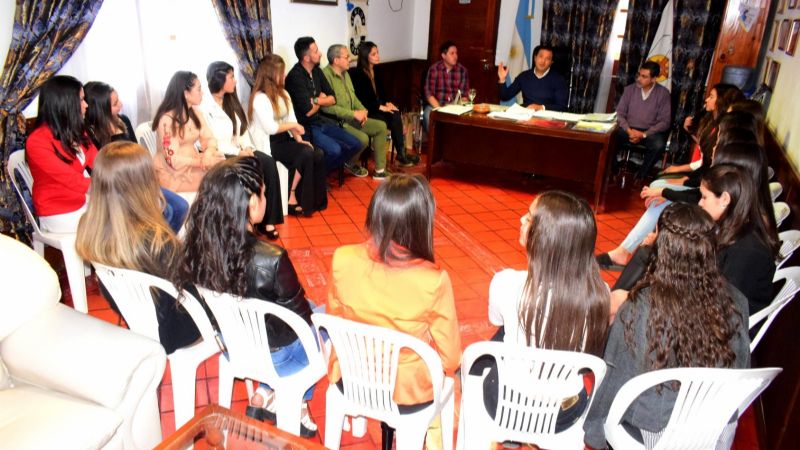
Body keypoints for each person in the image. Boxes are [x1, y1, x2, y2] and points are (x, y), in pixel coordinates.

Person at [584, 202, 751, 449]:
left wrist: (593, 431)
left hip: (656, 433)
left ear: (661, 247)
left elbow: (614, 382)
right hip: (714, 429)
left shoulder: (638, 309)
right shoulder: (738, 302)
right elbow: (740, 372)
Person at [174, 156, 318, 437]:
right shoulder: (272, 258)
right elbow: (303, 321)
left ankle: (266, 392)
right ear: (252, 203)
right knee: (322, 319)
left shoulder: (196, 248)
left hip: (233, 345)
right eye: (263, 193)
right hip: (279, 357)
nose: (265, 199)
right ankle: (294, 401)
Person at [328, 173, 461, 450]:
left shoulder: (342, 258)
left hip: (351, 379)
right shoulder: (433, 281)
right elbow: (450, 359)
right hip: (405, 394)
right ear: (421, 223)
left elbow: (334, 319)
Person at [481, 191, 609, 430]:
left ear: (546, 237)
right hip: (564, 412)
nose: (521, 219)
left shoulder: (506, 283)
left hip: (508, 404)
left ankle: (510, 434)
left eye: (529, 218)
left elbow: (496, 320)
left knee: (498, 341)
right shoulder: (601, 293)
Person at [610, 153, 779, 319]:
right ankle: (614, 312)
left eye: (704, 197)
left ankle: (615, 312)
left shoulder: (746, 251)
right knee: (647, 254)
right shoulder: (733, 227)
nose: (700, 203)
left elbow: (721, 307)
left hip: (713, 322)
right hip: (705, 301)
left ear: (724, 199)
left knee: (623, 296)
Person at [75, 141, 200, 354]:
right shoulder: (157, 240)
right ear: (145, 184)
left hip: (138, 320)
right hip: (178, 330)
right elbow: (189, 287)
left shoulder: (90, 228)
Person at [83, 80, 189, 232]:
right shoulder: (90, 133)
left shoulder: (123, 121)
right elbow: (99, 170)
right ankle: (153, 242)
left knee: (180, 207)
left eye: (118, 99)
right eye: (115, 103)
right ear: (100, 109)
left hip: (139, 180)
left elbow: (136, 150)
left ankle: (160, 242)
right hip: (116, 189)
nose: (121, 104)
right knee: (165, 213)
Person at [201, 61, 283, 239]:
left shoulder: (230, 101)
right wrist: (238, 152)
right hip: (221, 154)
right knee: (245, 169)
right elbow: (209, 141)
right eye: (231, 77)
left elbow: (243, 130)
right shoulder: (204, 107)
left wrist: (247, 147)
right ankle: (243, 222)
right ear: (219, 79)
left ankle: (268, 221)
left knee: (268, 163)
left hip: (241, 150)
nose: (235, 81)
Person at [249, 55, 328, 216]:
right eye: (281, 72)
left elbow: (292, 120)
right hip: (269, 143)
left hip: (284, 139)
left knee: (317, 153)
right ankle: (291, 196)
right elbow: (271, 128)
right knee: (305, 153)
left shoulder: (283, 93)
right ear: (271, 74)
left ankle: (315, 201)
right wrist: (294, 127)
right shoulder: (259, 98)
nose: (284, 75)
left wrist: (299, 140)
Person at [25, 75, 98, 233]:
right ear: (65, 104)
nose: (86, 105)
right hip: (57, 211)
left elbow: (99, 162)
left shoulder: (76, 131)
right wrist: (109, 186)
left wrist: (120, 176)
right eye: (81, 100)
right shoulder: (37, 141)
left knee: (127, 211)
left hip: (80, 202)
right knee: (116, 221)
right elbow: (71, 180)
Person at [284, 36, 365, 177]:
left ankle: (319, 174)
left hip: (322, 121)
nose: (320, 53)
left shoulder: (316, 71)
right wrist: (321, 100)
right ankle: (317, 177)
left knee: (356, 144)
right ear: (306, 58)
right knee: (335, 150)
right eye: (316, 51)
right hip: (306, 126)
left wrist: (316, 100)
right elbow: (308, 112)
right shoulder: (295, 77)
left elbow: (333, 98)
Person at [322, 44, 390, 180]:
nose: (350, 60)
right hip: (338, 122)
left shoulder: (345, 73)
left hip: (353, 117)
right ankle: (349, 162)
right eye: (346, 57)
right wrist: (354, 114)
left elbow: (353, 98)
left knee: (381, 126)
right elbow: (327, 108)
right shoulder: (325, 76)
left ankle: (380, 170)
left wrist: (363, 110)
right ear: (336, 60)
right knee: (363, 139)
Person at [151, 71, 225, 193]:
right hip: (173, 173)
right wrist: (202, 162)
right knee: (218, 182)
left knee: (223, 167)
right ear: (186, 94)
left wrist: (208, 154)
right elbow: (172, 160)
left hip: (193, 165)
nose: (202, 93)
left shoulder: (195, 112)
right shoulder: (166, 120)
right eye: (199, 89)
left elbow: (209, 138)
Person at [350, 41, 420, 167]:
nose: (378, 56)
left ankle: (401, 153)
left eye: (377, 53)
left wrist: (388, 104)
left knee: (395, 113)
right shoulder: (358, 74)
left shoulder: (377, 70)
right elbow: (363, 100)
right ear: (365, 56)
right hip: (366, 110)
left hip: (377, 108)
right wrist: (380, 107)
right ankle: (400, 154)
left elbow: (383, 93)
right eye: (374, 54)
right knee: (390, 118)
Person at [664, 83, 742, 175]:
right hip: (700, 172)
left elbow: (706, 161)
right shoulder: (710, 121)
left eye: (711, 97)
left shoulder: (724, 128)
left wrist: (679, 169)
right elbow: (705, 149)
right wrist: (690, 132)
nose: (706, 100)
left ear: (722, 101)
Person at [611, 61, 671, 179]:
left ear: (653, 79)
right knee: (609, 137)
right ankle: (613, 168)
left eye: (644, 77)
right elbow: (619, 114)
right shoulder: (629, 90)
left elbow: (665, 121)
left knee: (659, 145)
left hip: (650, 132)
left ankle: (641, 175)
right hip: (628, 129)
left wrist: (643, 134)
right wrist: (629, 131)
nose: (639, 79)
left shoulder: (663, 94)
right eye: (639, 75)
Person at [496, 45, 568, 111]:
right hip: (525, 115)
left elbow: (561, 106)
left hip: (547, 117)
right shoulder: (524, 76)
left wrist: (541, 107)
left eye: (547, 59)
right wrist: (502, 79)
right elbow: (505, 96)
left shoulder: (559, 80)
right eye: (541, 56)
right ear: (535, 58)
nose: (543, 61)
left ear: (551, 62)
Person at [423, 40, 469, 129]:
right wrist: (440, 109)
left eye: (456, 53)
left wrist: (455, 108)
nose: (455, 56)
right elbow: (429, 93)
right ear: (443, 56)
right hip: (436, 105)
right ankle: (433, 138)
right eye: (452, 53)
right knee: (428, 115)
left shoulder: (462, 71)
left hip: (455, 107)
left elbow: (464, 95)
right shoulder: (434, 69)